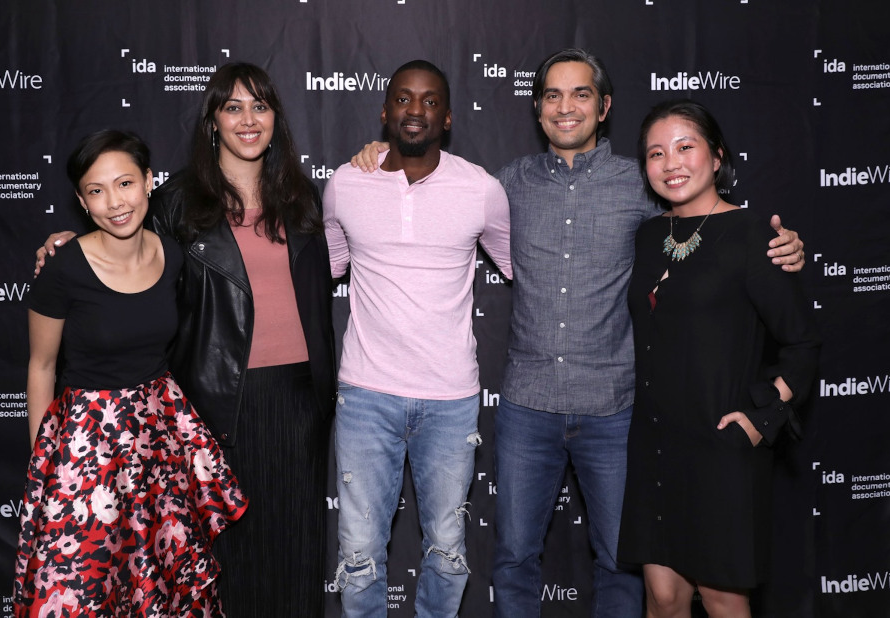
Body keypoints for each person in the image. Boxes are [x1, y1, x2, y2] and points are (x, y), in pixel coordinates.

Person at [351, 48, 806, 618]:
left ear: (605, 106)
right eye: (552, 95)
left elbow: (710, 222)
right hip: (526, 406)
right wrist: (379, 154)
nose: (565, 107)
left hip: (615, 408)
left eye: (581, 94)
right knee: (514, 556)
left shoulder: (642, 184)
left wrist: (781, 245)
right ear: (538, 111)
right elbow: (432, 182)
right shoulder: (504, 185)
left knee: (620, 561)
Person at [34, 63, 336, 618]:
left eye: (260, 106)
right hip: (214, 405)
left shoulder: (304, 199)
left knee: (297, 550)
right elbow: (128, 252)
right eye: (233, 107)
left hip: (298, 403)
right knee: (220, 563)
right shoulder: (176, 203)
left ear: (276, 118)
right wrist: (71, 245)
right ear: (213, 121)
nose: (248, 120)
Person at [15, 130, 247, 617]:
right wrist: (45, 467)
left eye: (124, 184)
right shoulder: (63, 268)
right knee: (83, 585)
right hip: (86, 449)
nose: (114, 202)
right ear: (81, 200)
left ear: (148, 182)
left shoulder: (173, 256)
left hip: (157, 442)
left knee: (157, 579)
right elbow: (41, 367)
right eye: (96, 191)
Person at [323, 59, 512, 617]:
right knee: (358, 555)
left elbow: (528, 266)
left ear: (447, 117)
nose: (415, 110)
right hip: (365, 397)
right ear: (385, 112)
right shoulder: (345, 184)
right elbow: (326, 267)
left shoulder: (481, 189)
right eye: (403, 98)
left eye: (430, 101)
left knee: (448, 552)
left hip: (450, 401)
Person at [618, 99, 820, 617]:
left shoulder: (756, 236)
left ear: (718, 156)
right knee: (663, 598)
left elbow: (802, 343)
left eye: (686, 147)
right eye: (656, 153)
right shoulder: (646, 236)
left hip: (723, 448)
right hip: (656, 445)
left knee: (724, 600)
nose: (672, 163)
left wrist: (761, 418)